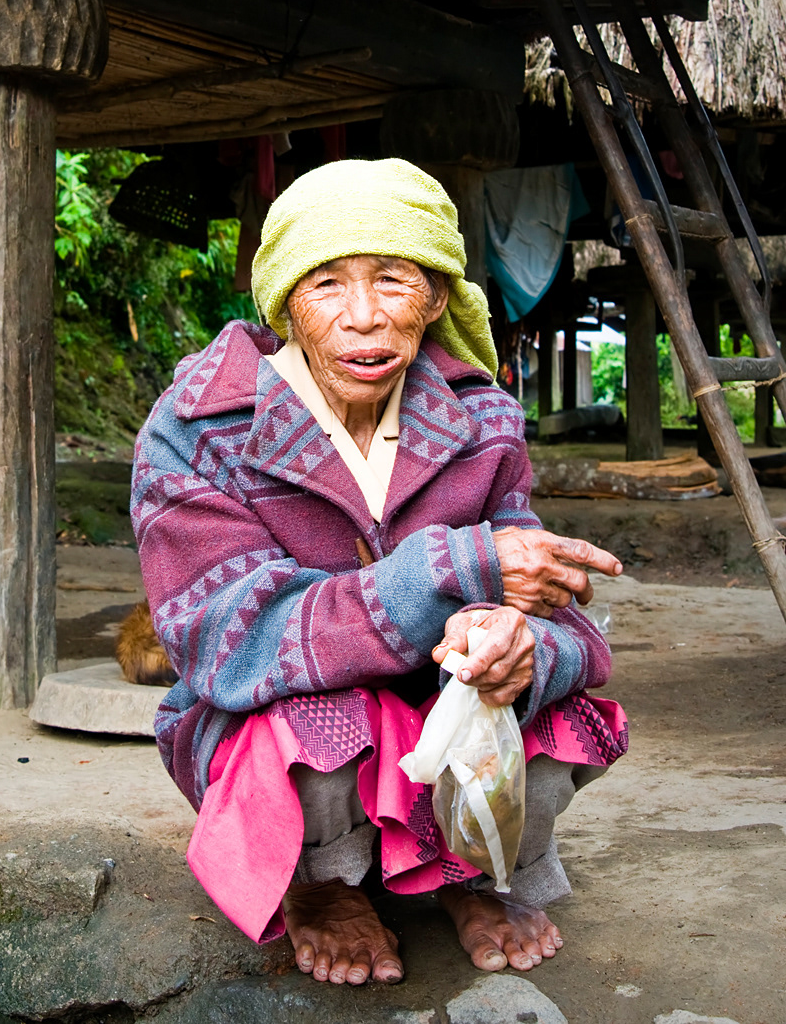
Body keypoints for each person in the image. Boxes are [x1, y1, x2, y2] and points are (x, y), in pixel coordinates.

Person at [132, 158, 626, 986]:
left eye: (393, 281)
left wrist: (519, 643)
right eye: (326, 284)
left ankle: (473, 872)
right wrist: (457, 572)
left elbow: (559, 612)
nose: (364, 318)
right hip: (280, 725)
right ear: (286, 301)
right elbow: (230, 641)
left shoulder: (483, 419)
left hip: (429, 713)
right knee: (315, 727)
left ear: (434, 299)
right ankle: (322, 887)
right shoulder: (198, 429)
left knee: (549, 705)